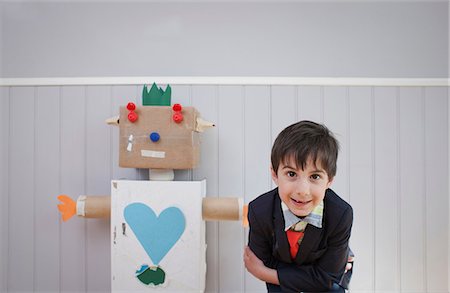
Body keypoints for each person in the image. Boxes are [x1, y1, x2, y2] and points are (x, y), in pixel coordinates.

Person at [244, 120, 353, 292]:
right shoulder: (259, 211)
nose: (302, 190)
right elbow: (264, 259)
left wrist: (264, 273)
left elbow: (327, 277)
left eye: (315, 177)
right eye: (291, 174)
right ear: (274, 173)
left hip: (326, 279)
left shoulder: (340, 214)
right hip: (287, 274)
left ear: (329, 180)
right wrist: (310, 275)